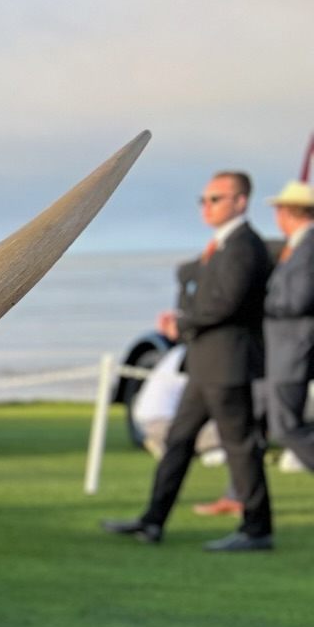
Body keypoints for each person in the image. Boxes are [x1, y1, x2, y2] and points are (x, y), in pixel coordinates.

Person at [103, 171, 273, 551]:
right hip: (204, 363)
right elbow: (204, 292)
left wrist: (184, 322)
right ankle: (153, 521)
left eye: (216, 199)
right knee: (179, 440)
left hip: (227, 362)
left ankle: (257, 528)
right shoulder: (220, 247)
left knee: (239, 446)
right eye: (204, 199)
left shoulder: (245, 245)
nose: (206, 207)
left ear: (240, 202)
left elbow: (227, 304)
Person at [258, 179, 314, 477]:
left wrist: (261, 305)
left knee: (287, 427)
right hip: (282, 351)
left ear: (289, 212)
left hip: (293, 350)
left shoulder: (308, 247)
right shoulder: (297, 248)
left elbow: (300, 299)